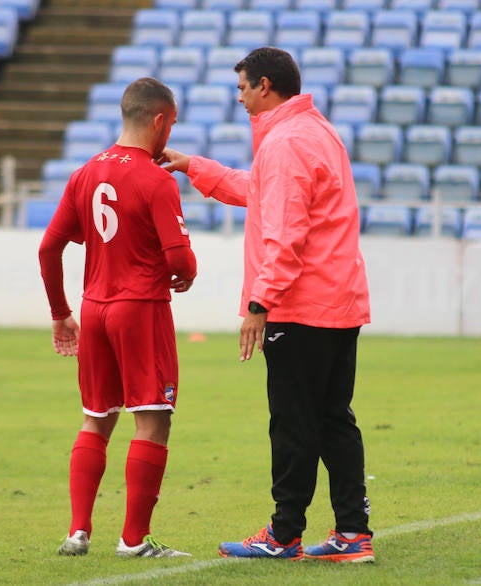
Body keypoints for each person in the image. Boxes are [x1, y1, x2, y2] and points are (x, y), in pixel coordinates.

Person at [160, 47, 374, 562]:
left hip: (300, 305)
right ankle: (352, 534)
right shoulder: (316, 132)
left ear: (263, 85)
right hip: (339, 300)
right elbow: (263, 193)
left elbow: (284, 234)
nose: (238, 97)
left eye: (241, 88)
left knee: (294, 423)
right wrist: (196, 167)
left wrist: (260, 301)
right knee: (332, 419)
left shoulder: (284, 143)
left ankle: (284, 535)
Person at [39, 77, 197, 559]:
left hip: (94, 308)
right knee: (152, 421)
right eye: (170, 123)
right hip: (141, 309)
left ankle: (77, 532)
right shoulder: (155, 179)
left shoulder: (85, 173)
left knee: (96, 419)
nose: (170, 132)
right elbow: (179, 260)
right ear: (158, 121)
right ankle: (132, 541)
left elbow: (48, 247)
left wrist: (61, 314)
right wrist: (188, 271)